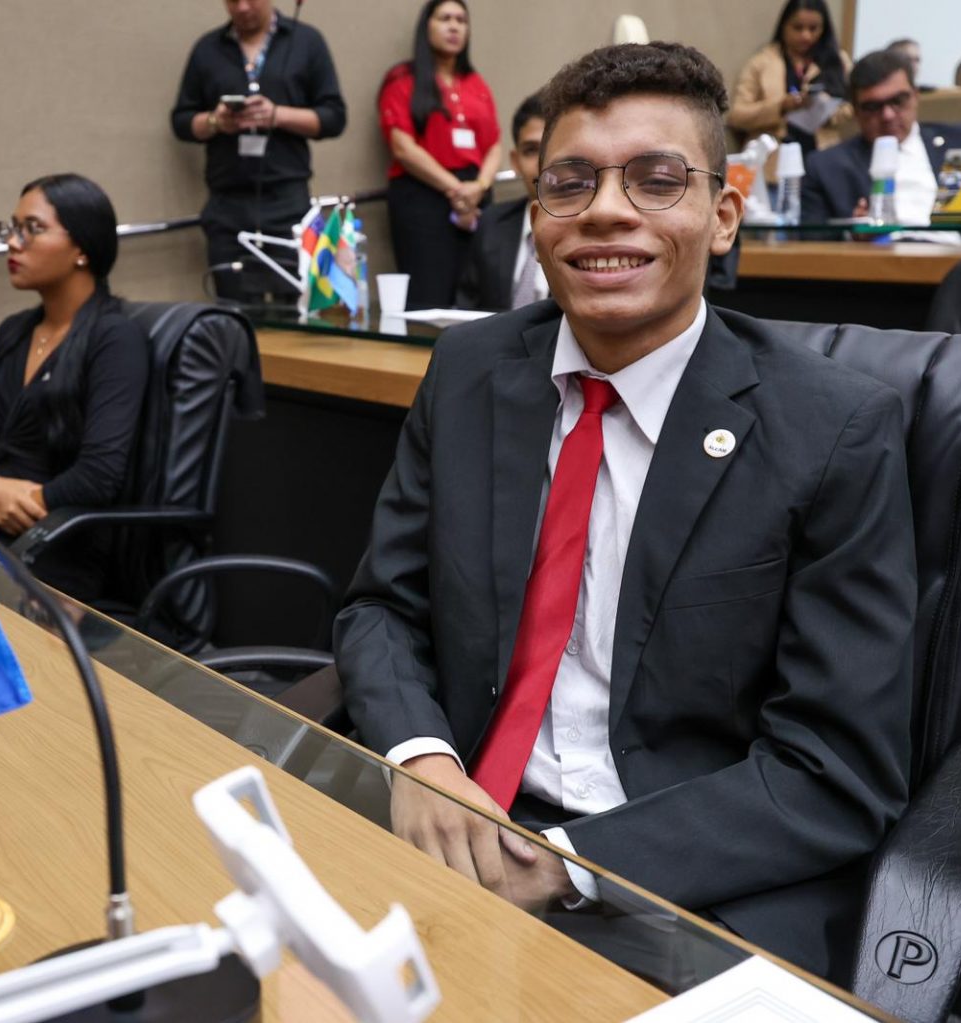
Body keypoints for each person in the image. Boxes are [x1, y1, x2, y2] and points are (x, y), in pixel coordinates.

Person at [335, 41, 916, 983]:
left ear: (723, 215)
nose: (605, 209)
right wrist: (422, 755)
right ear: (537, 218)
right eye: (570, 183)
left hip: (687, 886)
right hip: (454, 823)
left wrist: (573, 866)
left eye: (656, 180)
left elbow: (833, 771)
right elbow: (381, 608)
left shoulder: (835, 430)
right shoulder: (473, 370)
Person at [0, 174, 149, 602]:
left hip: (57, 544)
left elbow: (99, 476)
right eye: (11, 228)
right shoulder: (14, 331)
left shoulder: (115, 338)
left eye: (32, 229)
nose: (13, 243)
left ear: (81, 248)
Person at [170, 0, 346, 305]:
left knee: (292, 310)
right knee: (233, 314)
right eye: (233, 1)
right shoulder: (208, 49)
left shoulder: (305, 41)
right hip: (227, 203)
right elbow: (182, 121)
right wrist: (215, 121)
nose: (242, 7)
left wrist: (277, 115)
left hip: (287, 200)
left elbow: (333, 117)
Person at [378, 0, 501, 310]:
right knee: (429, 294)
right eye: (445, 18)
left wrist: (480, 186)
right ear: (427, 26)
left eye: (461, 20)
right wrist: (455, 188)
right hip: (424, 196)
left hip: (475, 196)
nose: (454, 26)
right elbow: (403, 148)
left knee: (477, 293)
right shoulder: (403, 79)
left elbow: (495, 144)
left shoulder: (476, 83)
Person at [802, 50, 961, 224]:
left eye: (897, 101)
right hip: (879, 259)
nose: (887, 115)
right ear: (855, 110)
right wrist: (853, 236)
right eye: (873, 107)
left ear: (915, 96)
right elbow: (810, 245)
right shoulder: (828, 167)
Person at [454, 92, 544, 311]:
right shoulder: (492, 224)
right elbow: (466, 307)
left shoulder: (589, 226)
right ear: (515, 161)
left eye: (553, 146)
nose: (543, 161)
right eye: (531, 150)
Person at [726, 0, 851, 153]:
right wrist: (781, 107)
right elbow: (737, 116)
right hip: (773, 157)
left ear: (824, 29)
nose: (806, 36)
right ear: (783, 26)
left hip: (823, 154)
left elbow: (853, 105)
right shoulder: (761, 63)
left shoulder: (838, 61)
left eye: (813, 29)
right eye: (798, 28)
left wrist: (826, 110)